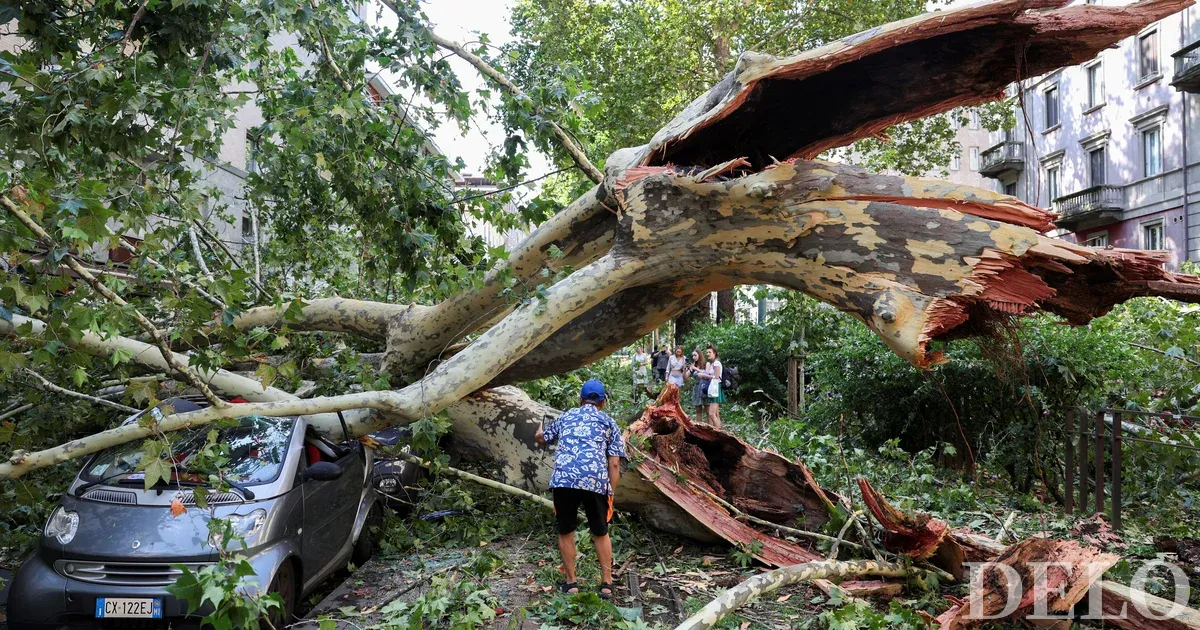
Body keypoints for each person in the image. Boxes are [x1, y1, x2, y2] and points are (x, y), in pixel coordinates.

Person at [535, 379, 627, 599]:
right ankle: (606, 583)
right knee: (600, 531)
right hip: (595, 482)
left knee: (566, 530)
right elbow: (614, 463)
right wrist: (610, 493)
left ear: (580, 399)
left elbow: (542, 439)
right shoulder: (609, 422)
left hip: (564, 481)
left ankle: (571, 583)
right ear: (603, 402)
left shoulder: (566, 416)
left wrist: (539, 431)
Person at [689, 345, 724, 428]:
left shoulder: (716, 363)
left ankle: (718, 433)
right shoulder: (712, 363)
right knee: (714, 414)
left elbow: (717, 377)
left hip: (716, 388)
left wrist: (704, 376)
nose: (708, 354)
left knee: (712, 413)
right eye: (707, 352)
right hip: (713, 389)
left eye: (710, 352)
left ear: (714, 353)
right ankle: (718, 432)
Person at [689, 349, 708, 419]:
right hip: (697, 388)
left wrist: (696, 369)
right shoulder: (694, 365)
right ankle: (699, 427)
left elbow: (707, 374)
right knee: (698, 410)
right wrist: (685, 369)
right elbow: (685, 377)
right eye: (692, 356)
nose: (694, 357)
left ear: (699, 355)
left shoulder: (705, 364)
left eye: (695, 355)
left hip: (704, 388)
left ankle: (710, 428)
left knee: (708, 410)